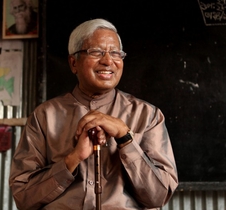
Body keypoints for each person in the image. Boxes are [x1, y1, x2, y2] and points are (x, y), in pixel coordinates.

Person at [10, 18, 178, 209]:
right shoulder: (44, 116)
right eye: (96, 52)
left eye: (115, 53)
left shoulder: (147, 115)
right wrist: (73, 159)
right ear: (74, 63)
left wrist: (125, 137)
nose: (108, 61)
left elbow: (158, 197)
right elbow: (24, 197)